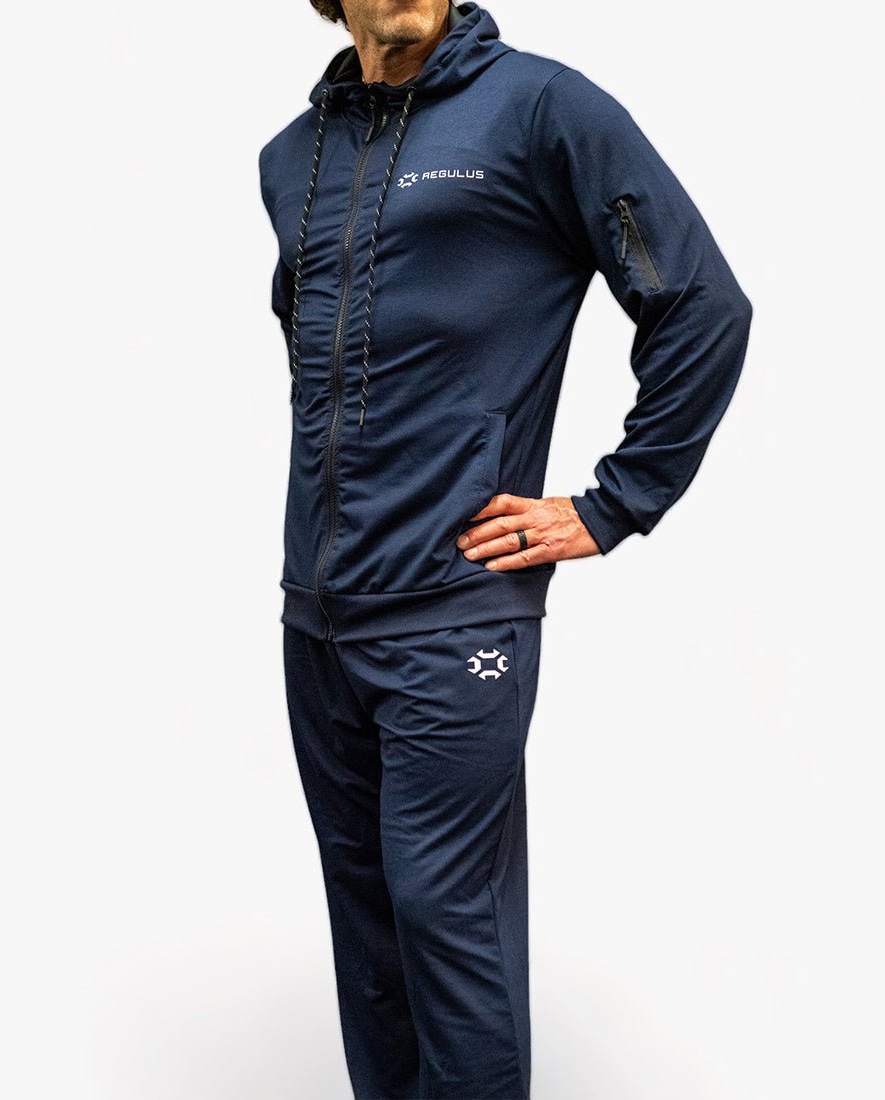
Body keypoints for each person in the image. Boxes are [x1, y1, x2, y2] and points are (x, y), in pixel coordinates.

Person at [258, 1, 752, 1096]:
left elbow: (702, 303)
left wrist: (614, 503)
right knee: (372, 950)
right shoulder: (292, 157)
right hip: (318, 624)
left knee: (449, 932)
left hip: (453, 622)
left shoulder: (539, 110)